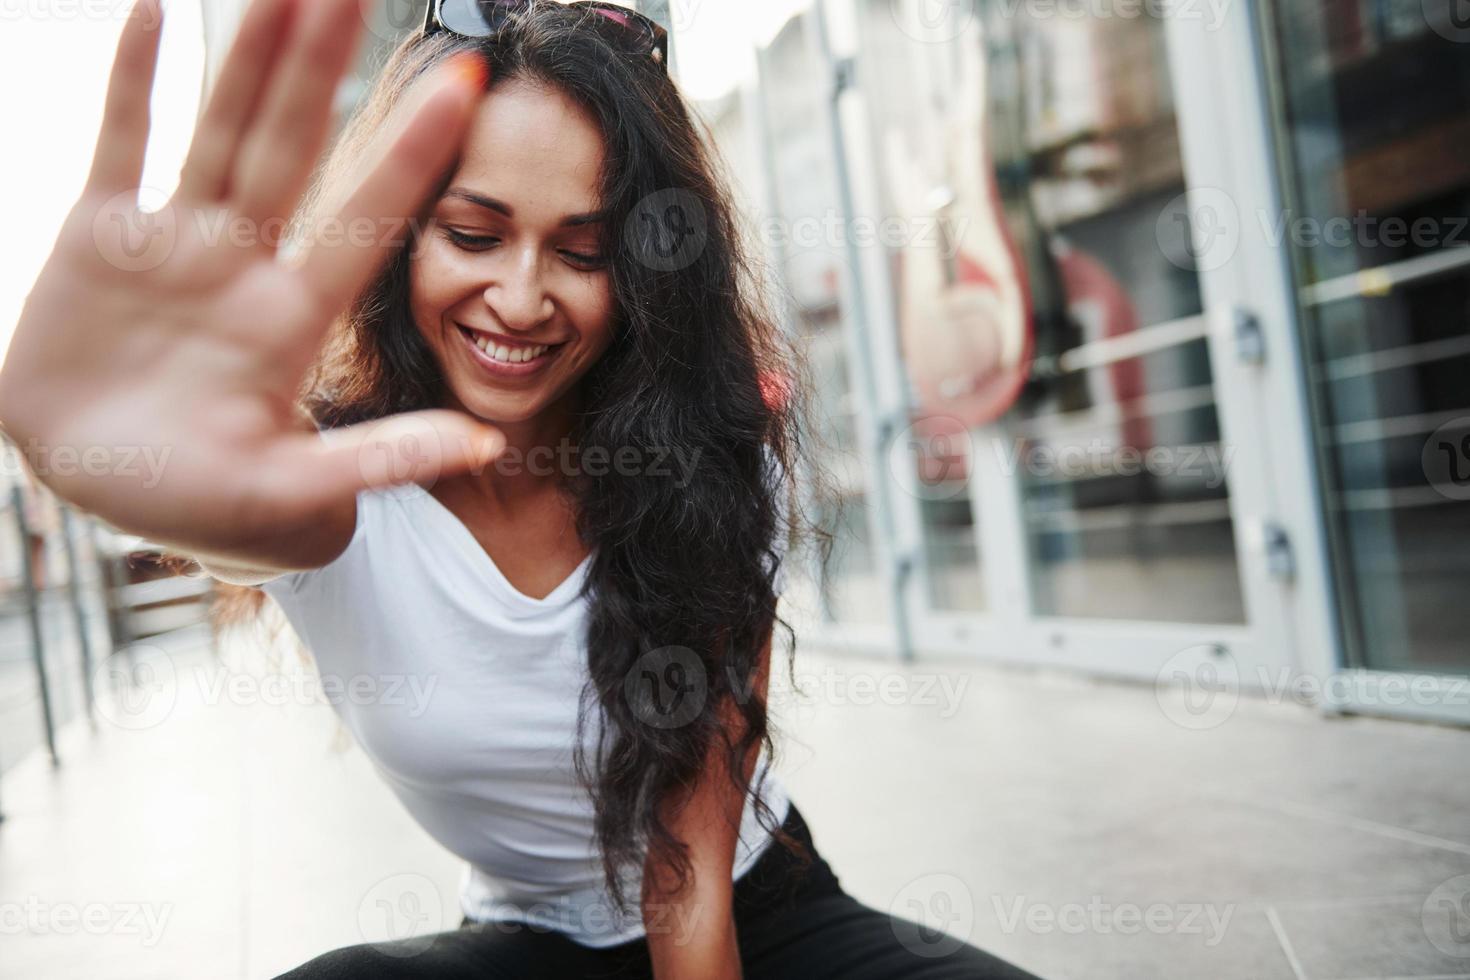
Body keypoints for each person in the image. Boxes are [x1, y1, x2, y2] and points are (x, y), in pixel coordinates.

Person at [0, 0, 1042, 977]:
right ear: (403, 238)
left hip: (749, 900)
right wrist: (121, 471)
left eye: (581, 250)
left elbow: (688, 872)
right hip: (523, 936)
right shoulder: (332, 481)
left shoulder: (711, 448)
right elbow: (249, 519)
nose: (522, 296)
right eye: (473, 233)